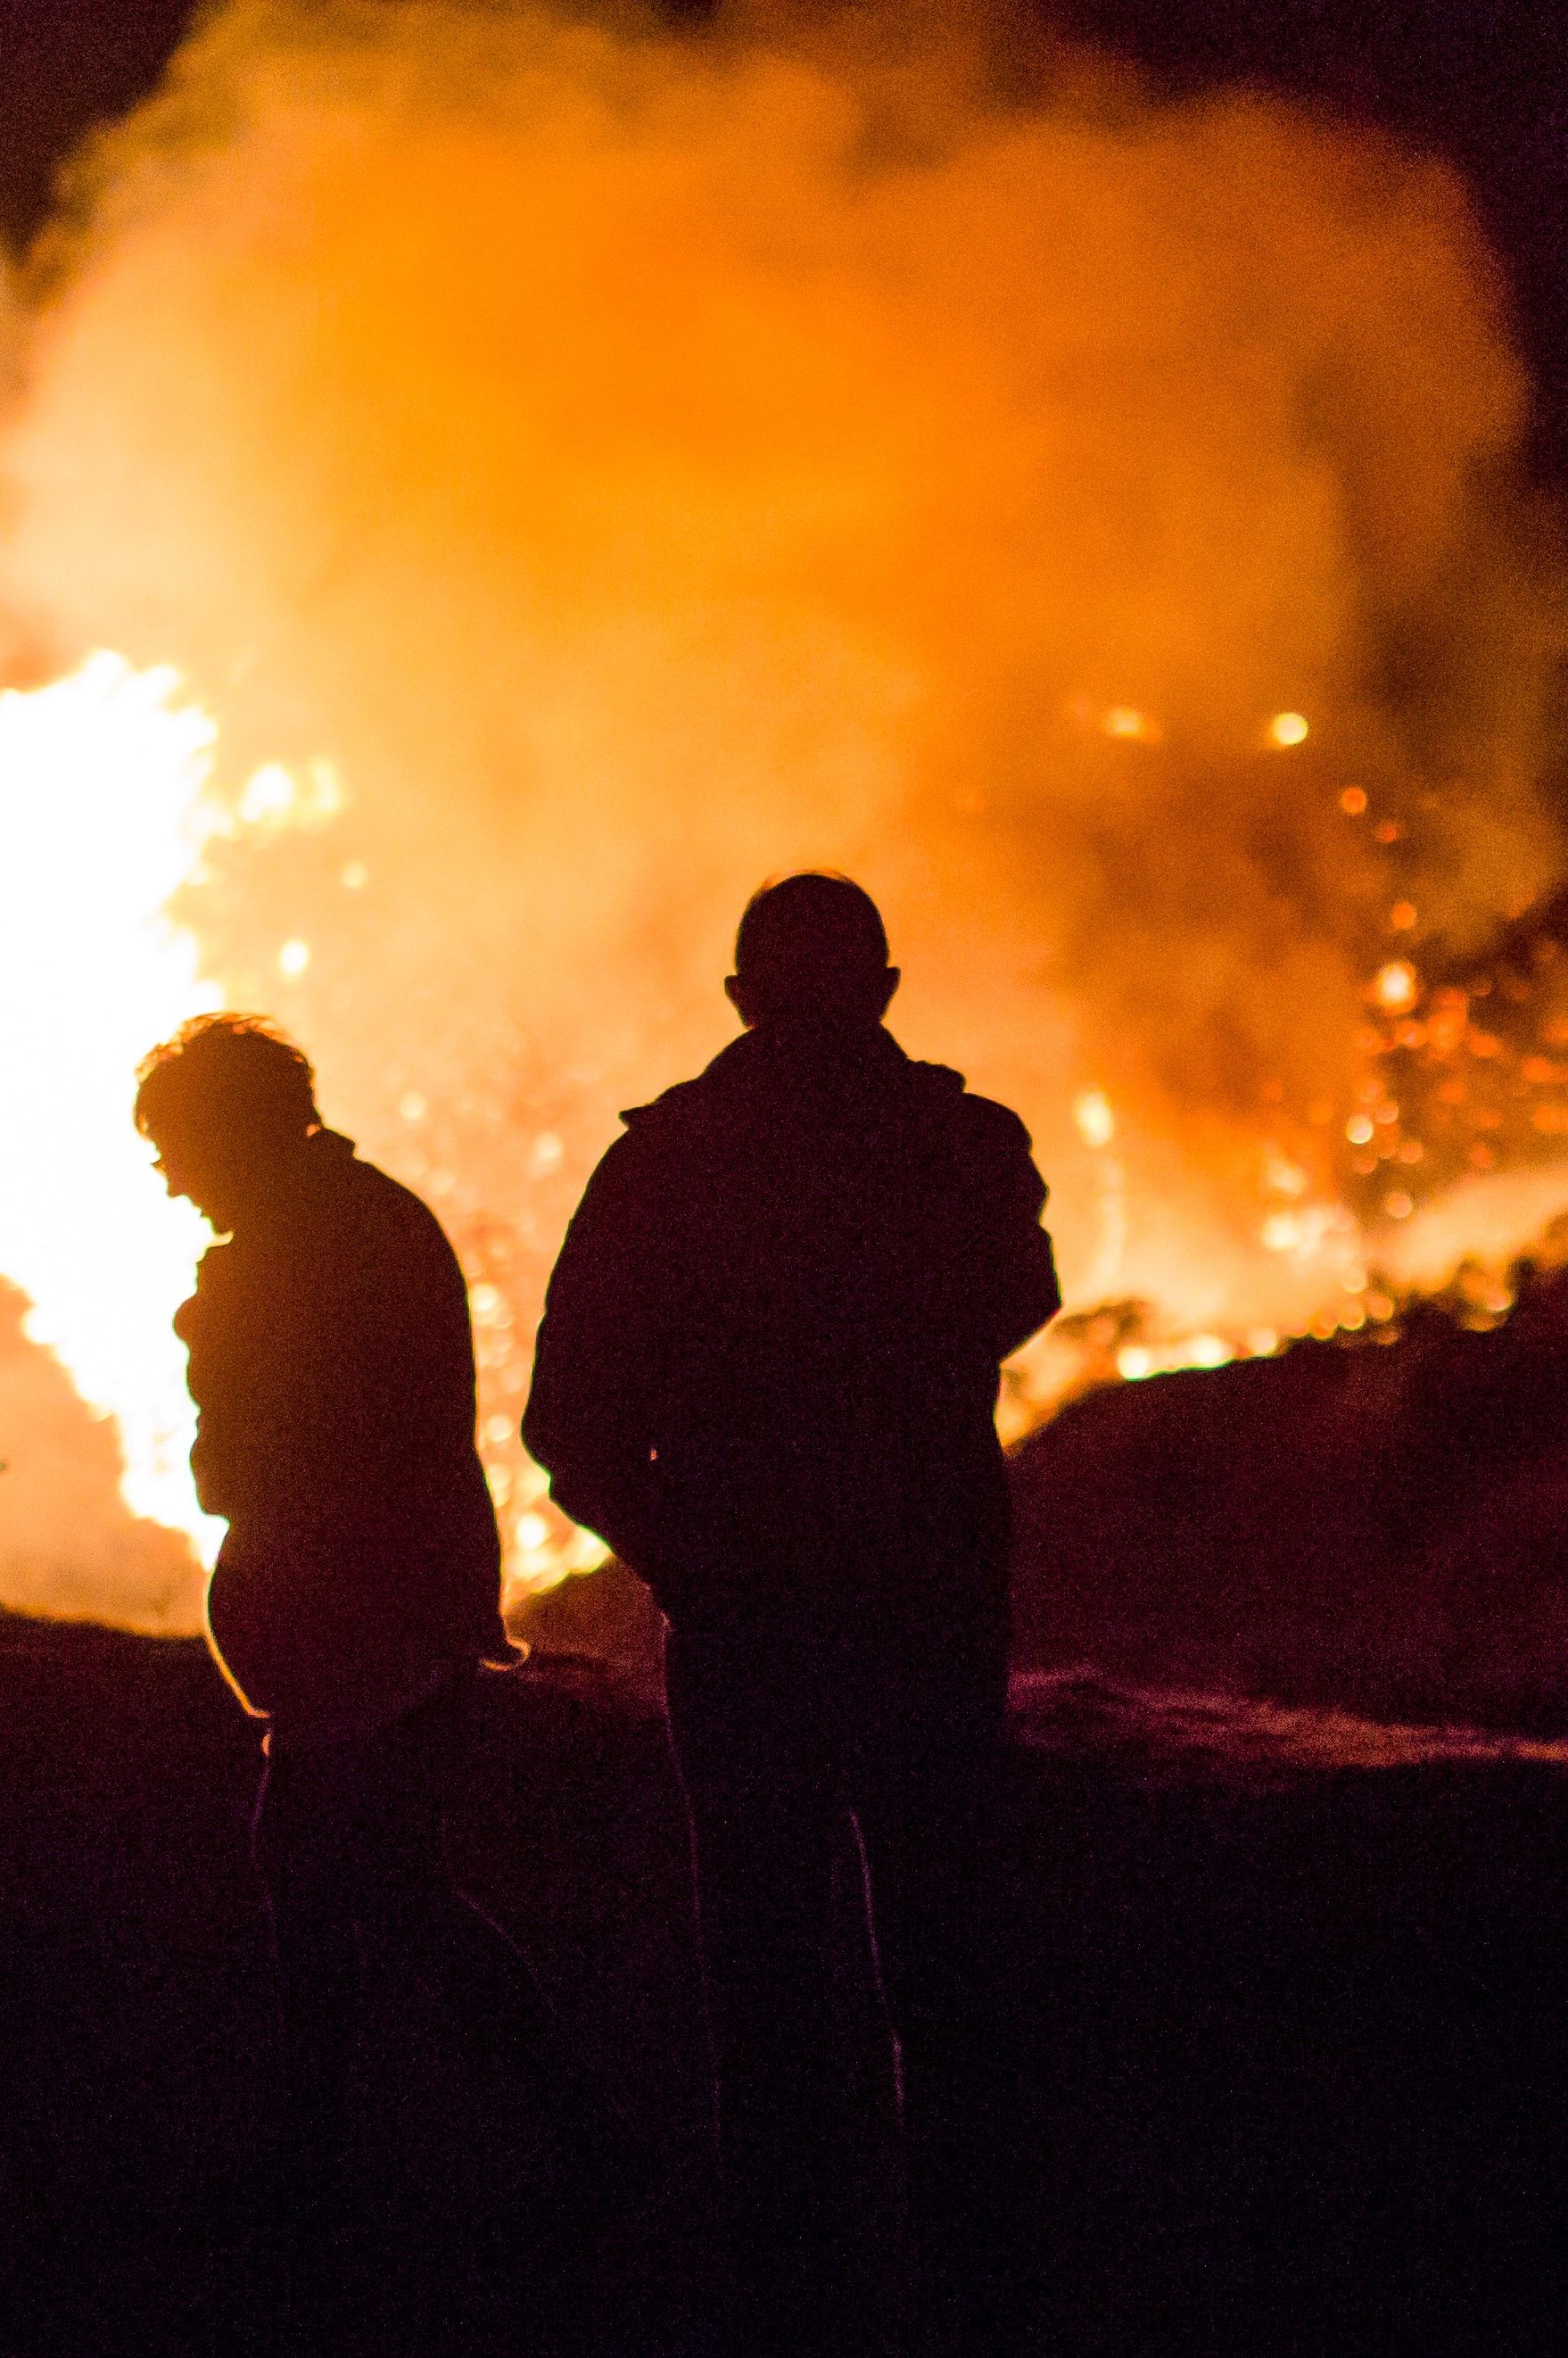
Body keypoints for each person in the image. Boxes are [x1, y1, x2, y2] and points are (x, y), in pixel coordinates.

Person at [526, 874, 1061, 2355]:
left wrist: (692, 1554)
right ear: (885, 990)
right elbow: (1020, 1294)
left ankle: (792, 2287)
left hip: (756, 1624)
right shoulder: (960, 1145)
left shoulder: (667, 1167)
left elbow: (566, 1424)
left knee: (762, 1963)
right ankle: (972, 2279)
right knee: (945, 1951)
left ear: (739, 1001)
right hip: (923, 1602)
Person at [136, 1012, 603, 2238]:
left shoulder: (300, 1249)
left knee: (355, 1885)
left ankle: (379, 2159)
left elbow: (259, 1463)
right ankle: (375, 2149)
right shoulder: (363, 1219)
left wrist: (218, 1353)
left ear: (230, 1129)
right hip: (382, 1622)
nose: (166, 1175)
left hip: (365, 1629)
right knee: (359, 1885)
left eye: (177, 1143)